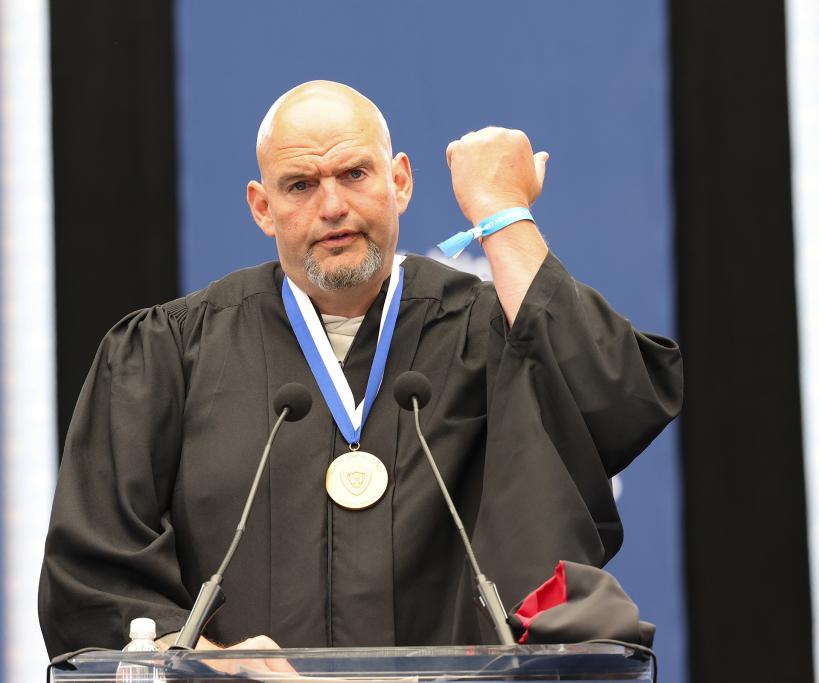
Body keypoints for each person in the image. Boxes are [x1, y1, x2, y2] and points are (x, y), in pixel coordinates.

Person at [38, 81, 682, 657]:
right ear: (262, 207)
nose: (333, 206)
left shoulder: (494, 331)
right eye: (300, 185)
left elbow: (617, 405)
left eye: (353, 174)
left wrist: (501, 212)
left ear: (399, 180)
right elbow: (91, 576)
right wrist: (208, 659)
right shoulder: (166, 353)